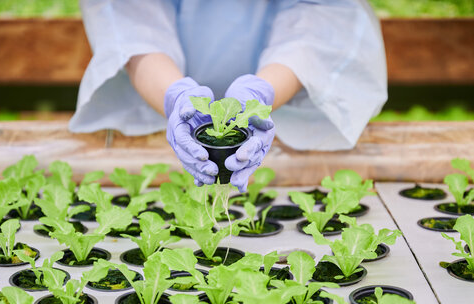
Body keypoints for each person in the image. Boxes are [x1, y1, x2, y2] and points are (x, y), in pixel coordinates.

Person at [70, 0, 387, 192]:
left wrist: (263, 93)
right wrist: (173, 95)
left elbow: (322, 17)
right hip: (153, 94)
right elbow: (128, 19)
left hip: (286, 100)